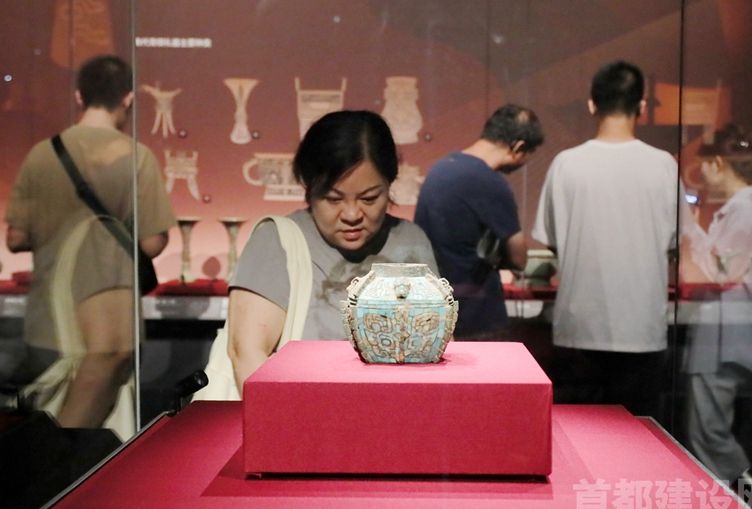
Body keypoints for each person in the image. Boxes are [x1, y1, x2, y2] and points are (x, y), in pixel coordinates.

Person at [4, 55, 176, 434]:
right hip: (110, 315)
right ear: (128, 98)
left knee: (40, 420)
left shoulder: (42, 154)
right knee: (90, 441)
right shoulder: (136, 157)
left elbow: (15, 238)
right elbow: (151, 243)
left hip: (50, 315)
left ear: (79, 96)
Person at [226, 110, 438, 392]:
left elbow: (433, 343)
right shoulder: (278, 241)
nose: (352, 214)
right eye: (333, 199)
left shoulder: (411, 241)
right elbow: (247, 355)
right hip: (298, 410)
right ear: (309, 188)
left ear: (390, 184)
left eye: (369, 198)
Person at [532, 60, 688, 419]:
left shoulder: (566, 164)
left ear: (592, 104)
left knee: (577, 433)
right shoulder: (664, 165)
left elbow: (552, 241)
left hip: (578, 326)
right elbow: (675, 241)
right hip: (642, 328)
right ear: (642, 107)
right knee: (638, 434)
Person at [680, 124, 752, 484]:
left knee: (710, 437)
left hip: (726, 342)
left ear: (718, 163)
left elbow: (719, 272)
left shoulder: (744, 212)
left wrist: (689, 227)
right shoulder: (743, 210)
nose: (702, 176)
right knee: (710, 435)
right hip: (727, 340)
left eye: (703, 166)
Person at [414, 104, 544, 339]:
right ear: (518, 147)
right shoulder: (489, 182)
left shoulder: (441, 168)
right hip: (476, 311)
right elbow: (519, 257)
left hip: (436, 307)